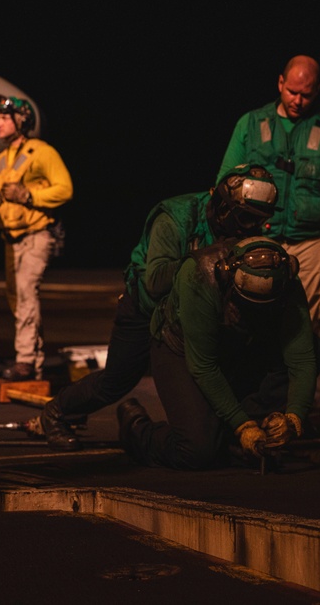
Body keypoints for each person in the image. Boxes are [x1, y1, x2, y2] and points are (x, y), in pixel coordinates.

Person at [39, 164, 279, 451]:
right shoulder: (175, 217)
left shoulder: (236, 230)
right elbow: (155, 282)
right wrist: (210, 260)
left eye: (258, 221)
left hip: (190, 314)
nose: (249, 228)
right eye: (245, 218)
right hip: (147, 309)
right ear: (225, 207)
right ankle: (56, 413)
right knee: (117, 380)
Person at [117, 236, 320, 470]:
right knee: (198, 451)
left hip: (239, 343)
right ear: (228, 275)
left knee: (317, 350)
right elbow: (203, 366)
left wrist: (294, 417)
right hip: (181, 350)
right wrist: (242, 425)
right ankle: (137, 430)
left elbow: (303, 357)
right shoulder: (199, 275)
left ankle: (236, 430)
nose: (257, 308)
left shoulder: (285, 278)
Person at [215, 55, 320, 333]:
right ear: (280, 83)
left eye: (306, 95)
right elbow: (225, 183)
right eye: (292, 92)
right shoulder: (250, 123)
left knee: (301, 331)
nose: (298, 100)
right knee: (252, 326)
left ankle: (291, 376)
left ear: (318, 90)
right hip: (258, 240)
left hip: (315, 242)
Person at [0, 95, 73, 382]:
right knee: (18, 299)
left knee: (25, 293)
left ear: (20, 121)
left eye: (3, 118)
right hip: (11, 240)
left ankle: (24, 359)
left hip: (36, 235)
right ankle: (32, 362)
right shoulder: (1, 159)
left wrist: (29, 195)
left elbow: (65, 189)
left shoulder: (42, 152)